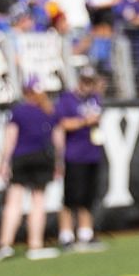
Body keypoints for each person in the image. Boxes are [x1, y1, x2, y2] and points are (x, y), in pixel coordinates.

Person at [0, 78, 60, 261]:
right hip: (42, 158)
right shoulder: (48, 111)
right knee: (38, 202)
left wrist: (4, 162)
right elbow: (57, 139)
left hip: (21, 158)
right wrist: (59, 162)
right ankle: (35, 245)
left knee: (14, 201)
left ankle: (5, 244)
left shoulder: (18, 112)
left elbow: (10, 138)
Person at [54, 69, 107, 250]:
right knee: (70, 197)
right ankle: (66, 235)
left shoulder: (94, 99)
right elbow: (62, 123)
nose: (88, 85)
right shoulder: (68, 99)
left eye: (91, 82)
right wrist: (85, 121)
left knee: (88, 196)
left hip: (92, 153)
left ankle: (86, 233)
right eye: (85, 81)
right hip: (74, 154)